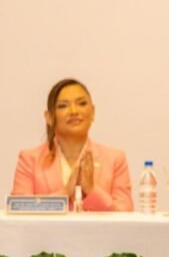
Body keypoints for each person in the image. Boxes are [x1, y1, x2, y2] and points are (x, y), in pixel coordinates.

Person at [12, 78, 133, 211]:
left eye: (81, 103)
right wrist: (65, 193)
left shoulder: (115, 158)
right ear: (49, 117)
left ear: (92, 112)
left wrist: (92, 190)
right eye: (63, 105)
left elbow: (125, 212)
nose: (74, 111)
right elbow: (18, 209)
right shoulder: (29, 159)